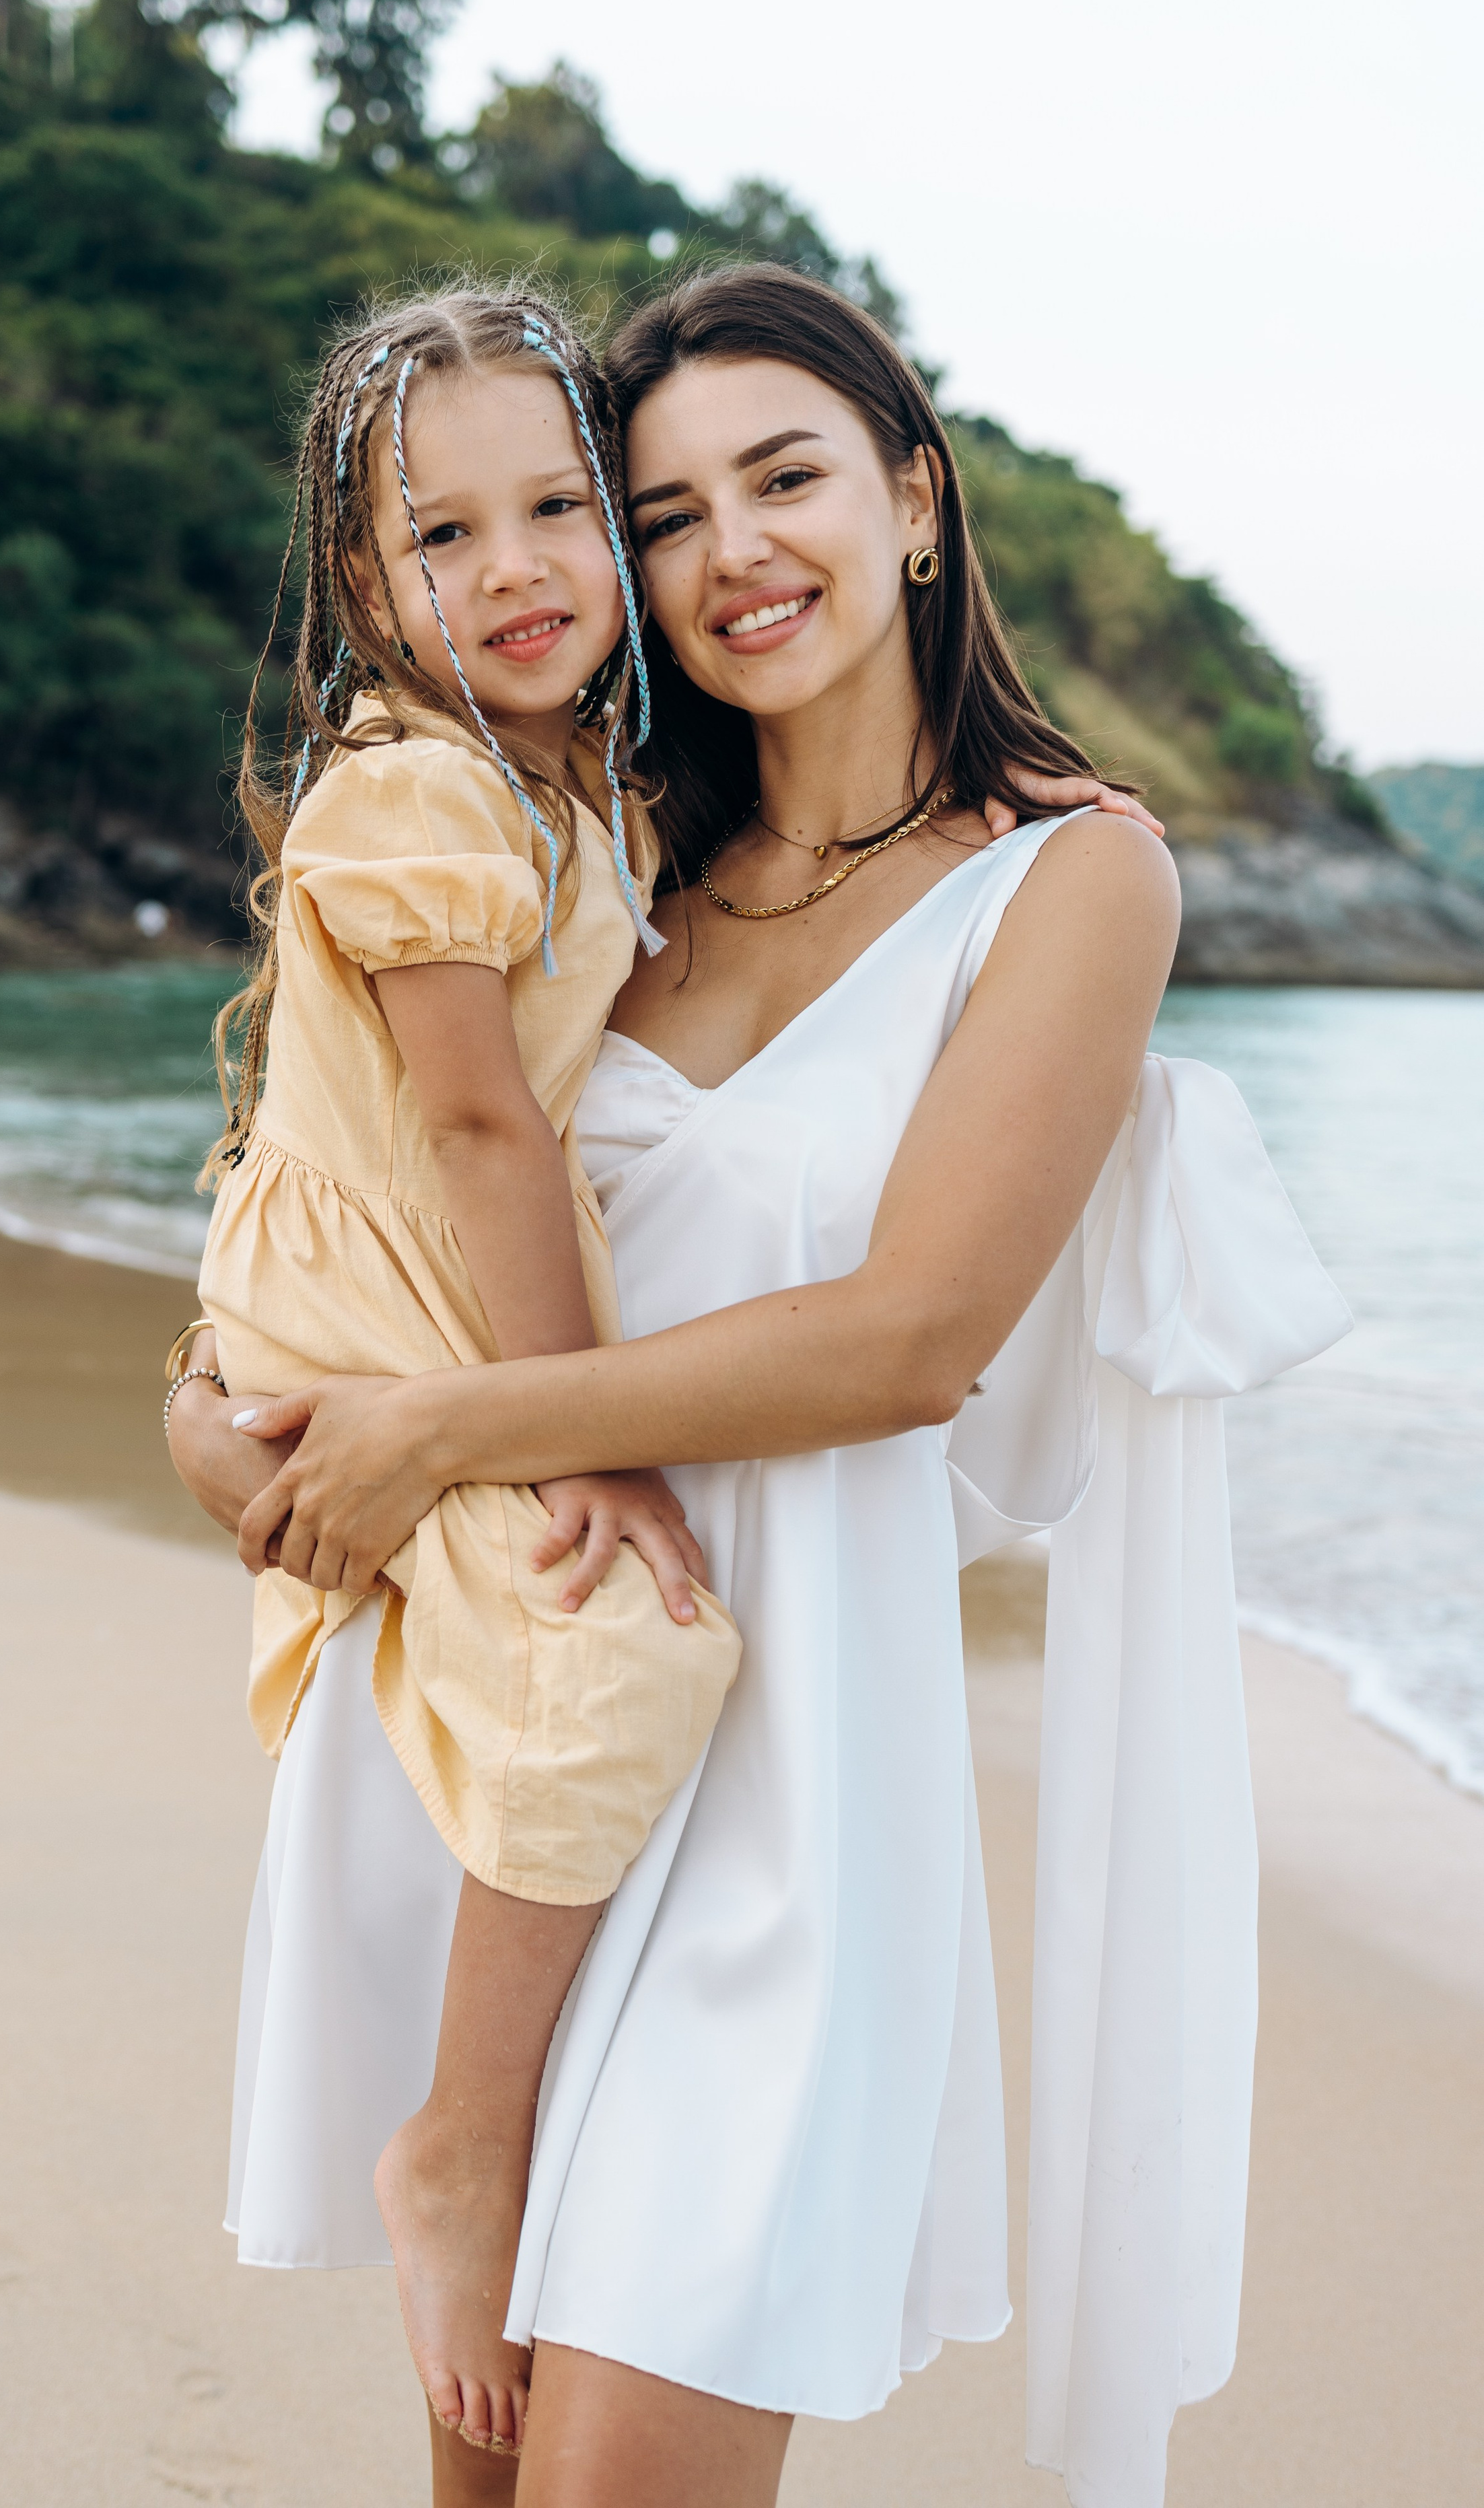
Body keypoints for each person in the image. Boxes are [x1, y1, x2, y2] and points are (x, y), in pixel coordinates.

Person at [171, 265, 1347, 2508]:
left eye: (786, 477)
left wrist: (448, 1434)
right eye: (669, 507)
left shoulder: (1069, 882)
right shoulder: (603, 865)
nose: (734, 551)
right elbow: (331, 1197)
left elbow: (915, 1337)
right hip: (531, 1742)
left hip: (803, 1798)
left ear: (915, 501)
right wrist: (226, 1425)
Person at [183, 282, 745, 2456]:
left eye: (557, 512)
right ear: (364, 585)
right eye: (442, 538)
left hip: (417, 1293)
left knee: (593, 1656)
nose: (512, 571)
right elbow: (489, 1131)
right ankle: (461, 2141)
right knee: (630, 1656)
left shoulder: (563, 794)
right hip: (378, 1298)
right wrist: (587, 1435)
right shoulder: (418, 798)